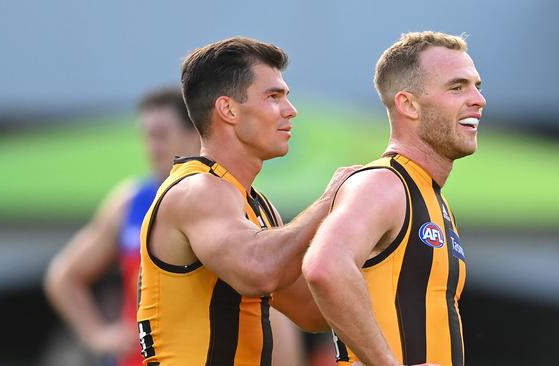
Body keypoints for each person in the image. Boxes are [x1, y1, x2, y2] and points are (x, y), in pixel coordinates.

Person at [136, 36, 356, 365]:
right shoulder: (198, 190)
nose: (290, 110)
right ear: (228, 109)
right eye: (273, 96)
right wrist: (330, 201)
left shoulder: (257, 206)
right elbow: (259, 271)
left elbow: (310, 311)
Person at [302, 31, 487, 366]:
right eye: (457, 87)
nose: (478, 99)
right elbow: (324, 266)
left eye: (477, 85)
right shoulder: (384, 183)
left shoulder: (432, 198)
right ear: (408, 104)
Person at [44, 87, 201, 366]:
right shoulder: (129, 202)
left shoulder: (220, 201)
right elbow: (63, 276)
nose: (152, 147)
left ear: (194, 134)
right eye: (147, 136)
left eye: (161, 135)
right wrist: (96, 335)